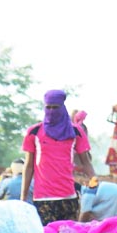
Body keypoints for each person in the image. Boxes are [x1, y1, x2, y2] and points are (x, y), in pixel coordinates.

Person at [22, 90, 94, 224]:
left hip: (68, 197)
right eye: (48, 107)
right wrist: (23, 196)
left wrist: (94, 181)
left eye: (55, 107)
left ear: (62, 108)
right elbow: (29, 165)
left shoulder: (75, 131)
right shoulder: (34, 132)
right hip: (43, 199)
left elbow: (86, 161)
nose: (51, 111)